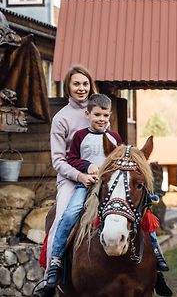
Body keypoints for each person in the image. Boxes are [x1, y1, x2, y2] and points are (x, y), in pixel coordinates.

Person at [46, 93, 122, 288]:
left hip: (110, 186)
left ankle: (155, 255)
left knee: (136, 210)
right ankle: (55, 257)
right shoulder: (81, 136)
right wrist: (86, 165)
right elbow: (71, 159)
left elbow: (120, 159)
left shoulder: (114, 137)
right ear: (87, 114)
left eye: (105, 116)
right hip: (86, 185)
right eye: (97, 115)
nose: (102, 120)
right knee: (70, 213)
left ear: (110, 115)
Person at [33, 65, 97, 297]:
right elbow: (58, 161)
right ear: (68, 87)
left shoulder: (99, 111)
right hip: (71, 179)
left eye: (85, 84)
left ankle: (155, 268)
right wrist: (81, 176)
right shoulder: (61, 118)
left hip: (100, 175)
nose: (81, 88)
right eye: (76, 84)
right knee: (62, 218)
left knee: (134, 209)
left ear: (91, 86)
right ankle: (52, 275)